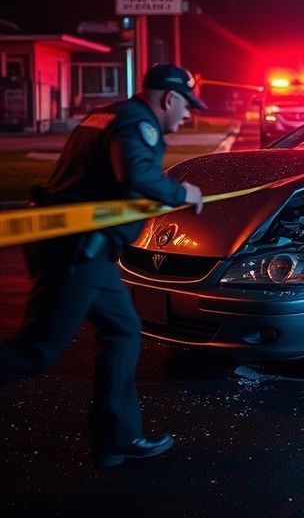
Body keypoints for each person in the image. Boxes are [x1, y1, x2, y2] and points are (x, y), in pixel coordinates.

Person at [0, 64, 205, 467]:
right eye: (186, 105)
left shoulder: (108, 114)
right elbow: (137, 173)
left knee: (123, 332)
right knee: (35, 350)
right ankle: (117, 439)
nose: (187, 115)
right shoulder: (136, 124)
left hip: (88, 250)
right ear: (168, 98)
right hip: (77, 253)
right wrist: (182, 191)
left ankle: (118, 439)